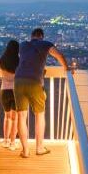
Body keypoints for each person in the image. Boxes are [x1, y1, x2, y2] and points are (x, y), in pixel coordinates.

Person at [14, 28, 69, 158]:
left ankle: (25, 151)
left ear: (31, 36)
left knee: (21, 116)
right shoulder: (45, 44)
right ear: (41, 36)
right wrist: (66, 68)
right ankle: (39, 148)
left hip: (19, 80)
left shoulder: (23, 45)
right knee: (39, 115)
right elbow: (59, 55)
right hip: (34, 82)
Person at [0, 39, 20, 150]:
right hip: (16, 91)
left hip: (5, 90)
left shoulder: (1, 60)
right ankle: (12, 142)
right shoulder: (19, 61)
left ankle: (5, 140)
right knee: (14, 118)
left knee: (6, 117)